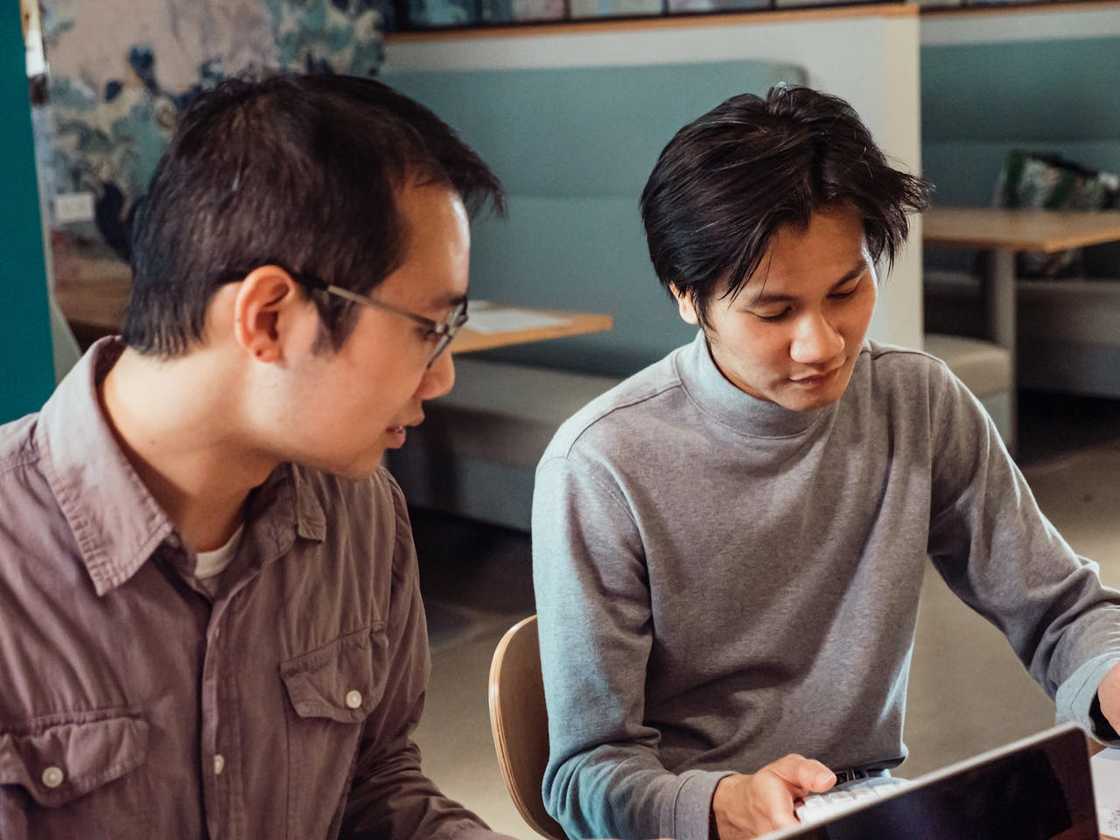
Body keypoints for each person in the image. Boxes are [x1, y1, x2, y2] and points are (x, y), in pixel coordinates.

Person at [531, 85, 1120, 840]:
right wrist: (721, 805)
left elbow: (1059, 611)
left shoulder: (917, 400)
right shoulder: (602, 465)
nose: (823, 345)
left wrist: (1107, 677)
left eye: (847, 290)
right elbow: (586, 772)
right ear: (687, 298)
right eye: (774, 312)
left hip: (869, 808)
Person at [0, 73, 516, 840]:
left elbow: (372, 788)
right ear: (270, 316)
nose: (442, 375)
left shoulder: (361, 514)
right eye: (427, 328)